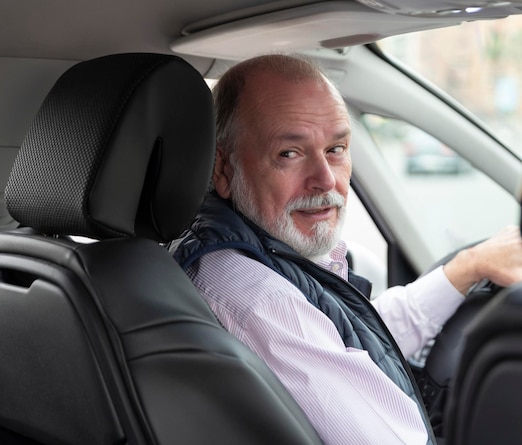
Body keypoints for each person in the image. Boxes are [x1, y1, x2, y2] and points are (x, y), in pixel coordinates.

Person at [169, 54, 522, 445]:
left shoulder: (233, 255)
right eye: (290, 153)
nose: (326, 179)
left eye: (336, 148)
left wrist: (464, 269)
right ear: (223, 169)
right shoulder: (260, 299)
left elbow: (346, 345)